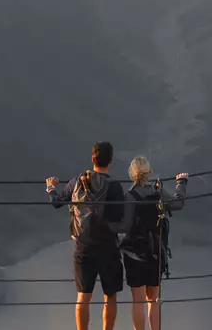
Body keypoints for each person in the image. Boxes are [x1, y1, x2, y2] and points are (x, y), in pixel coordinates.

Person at [46, 141, 133, 330]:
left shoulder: (77, 181)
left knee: (83, 296)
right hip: (108, 247)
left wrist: (51, 188)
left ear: (92, 158)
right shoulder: (115, 187)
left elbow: (57, 202)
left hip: (84, 246)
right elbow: (118, 218)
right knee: (110, 296)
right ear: (110, 160)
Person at [120, 157, 189, 330]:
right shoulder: (157, 192)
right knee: (154, 299)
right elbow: (177, 204)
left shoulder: (129, 196)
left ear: (132, 174)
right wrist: (181, 183)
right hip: (155, 253)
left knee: (138, 300)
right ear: (149, 172)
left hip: (134, 254)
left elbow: (125, 226)